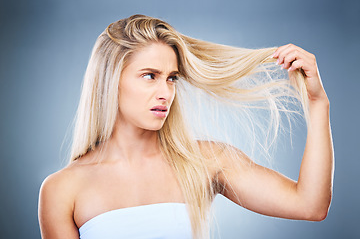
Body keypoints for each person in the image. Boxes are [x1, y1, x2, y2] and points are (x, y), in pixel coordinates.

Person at [38, 14, 334, 239]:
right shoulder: (62, 189)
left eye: (172, 78)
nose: (165, 92)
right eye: (149, 76)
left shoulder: (204, 161)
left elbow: (309, 205)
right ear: (110, 81)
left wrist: (318, 104)